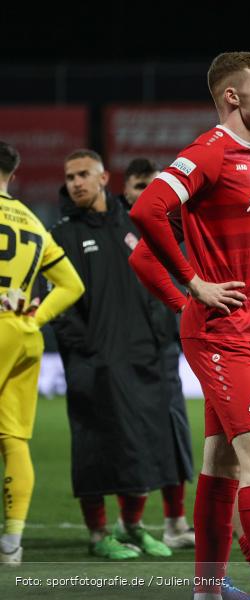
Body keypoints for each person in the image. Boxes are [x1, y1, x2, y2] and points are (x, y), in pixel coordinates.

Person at [130, 52, 250, 600]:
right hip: (224, 336)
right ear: (232, 96)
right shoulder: (210, 151)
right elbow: (147, 211)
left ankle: (207, 590)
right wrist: (191, 285)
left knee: (221, 461)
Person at [49, 149, 187, 560]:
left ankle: (134, 527)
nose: (75, 183)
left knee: (141, 444)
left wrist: (161, 336)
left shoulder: (133, 226)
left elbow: (161, 284)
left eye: (83, 175)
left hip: (142, 357)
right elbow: (56, 304)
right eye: (70, 176)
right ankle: (98, 534)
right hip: (93, 361)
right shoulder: (63, 233)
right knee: (94, 445)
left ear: (103, 177)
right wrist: (88, 347)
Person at [0, 141, 84, 565]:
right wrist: (35, 318)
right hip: (23, 335)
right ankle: (12, 543)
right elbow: (72, 285)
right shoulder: (33, 221)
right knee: (14, 439)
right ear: (13, 176)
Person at [118, 157, 197, 549]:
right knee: (130, 437)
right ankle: (127, 523)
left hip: (164, 347)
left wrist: (181, 315)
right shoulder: (116, 233)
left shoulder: (176, 227)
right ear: (125, 192)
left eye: (153, 184)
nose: (147, 192)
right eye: (138, 186)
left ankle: (175, 522)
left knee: (174, 432)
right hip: (125, 351)